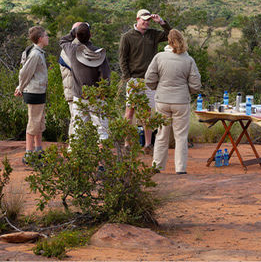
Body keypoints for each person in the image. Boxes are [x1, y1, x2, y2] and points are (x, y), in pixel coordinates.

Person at [145, 29, 201, 174]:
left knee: (162, 134)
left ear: (168, 41)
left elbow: (149, 79)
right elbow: (196, 85)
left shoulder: (159, 57)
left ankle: (157, 166)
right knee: (181, 136)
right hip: (181, 102)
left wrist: (159, 88)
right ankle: (180, 169)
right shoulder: (188, 60)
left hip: (162, 100)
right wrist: (185, 91)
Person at [119, 9, 171, 154]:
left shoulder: (153, 34)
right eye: (144, 20)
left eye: (148, 20)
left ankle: (148, 145)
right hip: (134, 79)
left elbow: (171, 35)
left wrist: (161, 22)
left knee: (147, 113)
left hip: (149, 80)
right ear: (137, 19)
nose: (146, 22)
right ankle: (127, 143)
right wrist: (128, 78)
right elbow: (123, 59)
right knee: (130, 112)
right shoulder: (127, 37)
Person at [60, 23, 111, 142]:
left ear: (76, 35)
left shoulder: (72, 51)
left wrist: (74, 31)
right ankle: (102, 156)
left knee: (78, 129)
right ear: (90, 35)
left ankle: (75, 156)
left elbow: (62, 40)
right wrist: (103, 93)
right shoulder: (99, 53)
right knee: (102, 130)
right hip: (97, 97)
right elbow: (105, 76)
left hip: (79, 96)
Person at [14, 26, 49, 164]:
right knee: (33, 123)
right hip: (33, 92)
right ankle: (29, 154)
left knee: (39, 121)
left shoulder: (39, 52)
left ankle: (39, 150)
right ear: (40, 38)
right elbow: (24, 73)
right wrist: (20, 87)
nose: (48, 38)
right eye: (46, 35)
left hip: (38, 91)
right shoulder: (35, 54)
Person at [58, 22, 83, 138]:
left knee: (82, 120)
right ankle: (73, 149)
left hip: (81, 91)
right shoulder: (68, 49)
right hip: (73, 90)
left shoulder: (81, 46)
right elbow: (78, 67)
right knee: (76, 119)